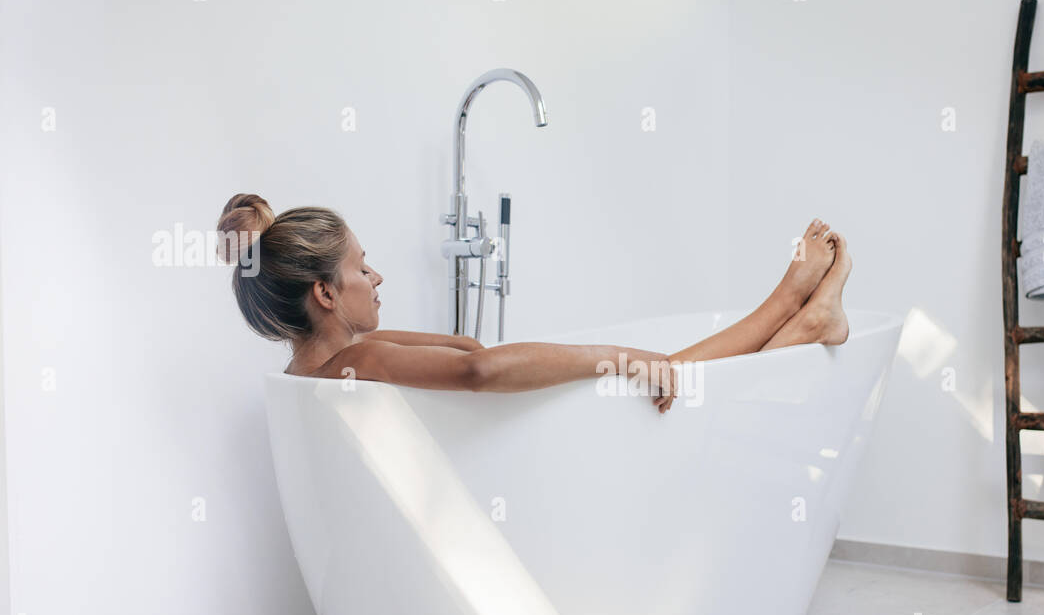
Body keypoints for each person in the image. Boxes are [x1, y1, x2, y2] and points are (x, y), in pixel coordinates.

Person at [221, 193, 853, 413]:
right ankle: (792, 308)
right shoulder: (362, 364)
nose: (378, 276)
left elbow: (471, 347)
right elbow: (477, 369)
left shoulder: (323, 368)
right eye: (362, 268)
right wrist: (622, 356)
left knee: (670, 368)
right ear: (326, 293)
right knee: (664, 368)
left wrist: (362, 337)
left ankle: (800, 318)